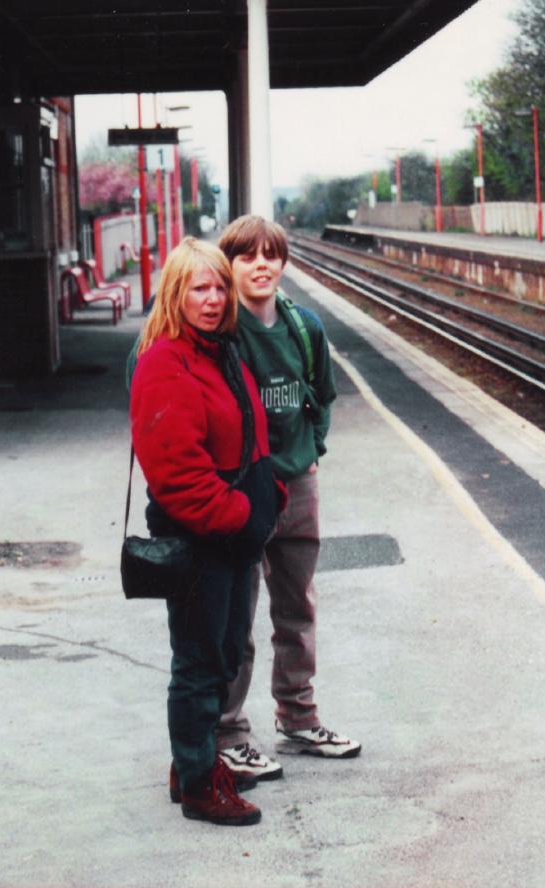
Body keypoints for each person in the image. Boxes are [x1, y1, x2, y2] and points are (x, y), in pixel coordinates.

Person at [129, 237, 285, 826]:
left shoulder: (220, 352)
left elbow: (248, 433)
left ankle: (187, 764)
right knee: (198, 661)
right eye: (200, 287)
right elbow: (177, 476)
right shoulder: (165, 363)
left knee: (222, 655)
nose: (214, 298)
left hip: (233, 534)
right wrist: (246, 517)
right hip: (201, 538)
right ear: (176, 292)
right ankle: (199, 784)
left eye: (220, 286)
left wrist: (272, 495)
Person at [214, 215, 360, 785]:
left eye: (270, 255)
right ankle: (229, 732)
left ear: (283, 262)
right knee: (238, 613)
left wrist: (311, 447)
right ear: (230, 265)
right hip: (245, 490)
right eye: (247, 256)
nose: (260, 265)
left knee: (296, 606)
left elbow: (322, 394)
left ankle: (298, 719)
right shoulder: (221, 329)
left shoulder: (304, 327)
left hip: (298, 485)